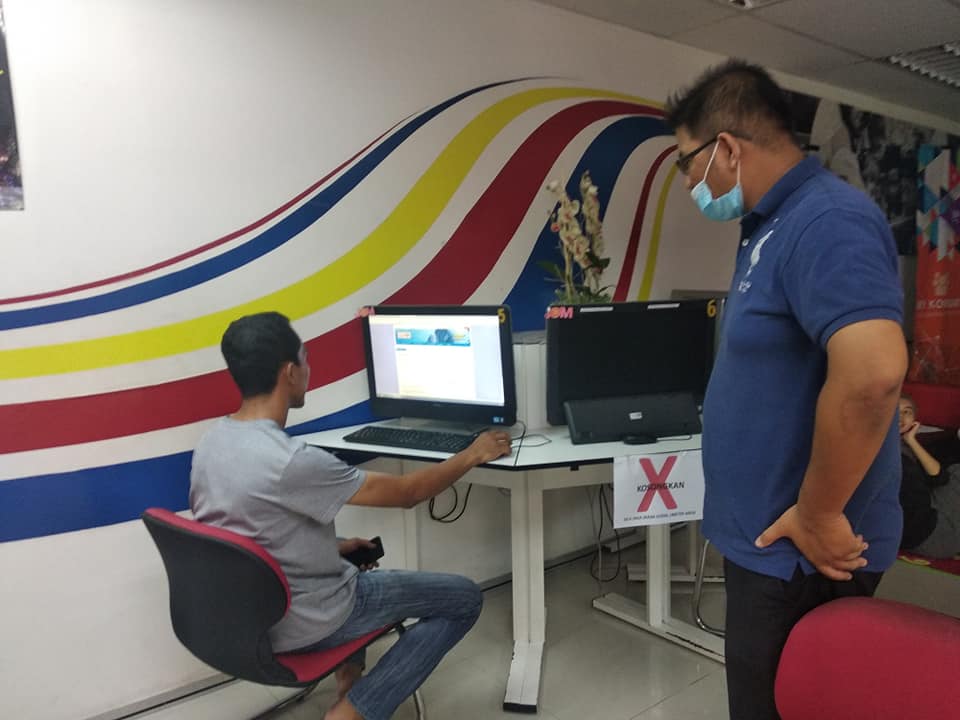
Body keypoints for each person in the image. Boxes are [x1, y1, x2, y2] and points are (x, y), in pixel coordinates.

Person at [665, 60, 908, 720]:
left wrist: (820, 513)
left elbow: (873, 373)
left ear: (726, 149)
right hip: (770, 544)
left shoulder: (826, 218)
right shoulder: (770, 224)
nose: (688, 183)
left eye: (686, 163)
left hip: (801, 554)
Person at [189, 311, 512, 720]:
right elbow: (408, 493)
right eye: (305, 357)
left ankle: (348, 681)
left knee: (353, 563)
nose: (309, 368)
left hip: (249, 619)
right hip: (309, 619)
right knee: (464, 598)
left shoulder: (211, 443)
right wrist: (473, 454)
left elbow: (247, 535)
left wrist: (335, 547)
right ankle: (355, 710)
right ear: (290, 372)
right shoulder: (292, 460)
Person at [898, 394, 960, 558]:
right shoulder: (885, 449)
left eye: (907, 412)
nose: (900, 417)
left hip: (916, 533)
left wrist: (911, 441)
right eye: (894, 412)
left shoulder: (904, 446)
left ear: (914, 419)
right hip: (931, 537)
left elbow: (938, 477)